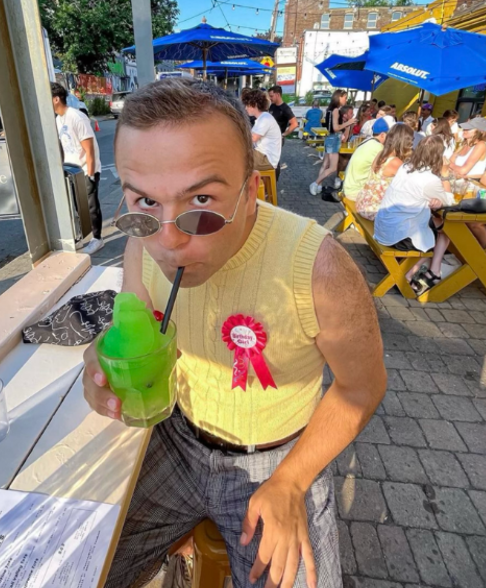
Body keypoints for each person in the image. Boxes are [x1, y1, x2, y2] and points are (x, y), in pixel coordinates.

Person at [85, 77, 385, 588]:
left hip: (278, 457)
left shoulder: (318, 269)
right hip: (175, 438)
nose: (170, 240)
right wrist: (102, 357)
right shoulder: (143, 241)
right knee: (82, 564)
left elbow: (362, 387)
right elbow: (132, 321)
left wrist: (292, 480)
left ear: (249, 192)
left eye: (200, 198)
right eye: (144, 202)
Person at [372, 136, 455, 295]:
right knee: (446, 228)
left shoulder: (405, 167)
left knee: (437, 224)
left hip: (383, 227)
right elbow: (449, 202)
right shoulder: (430, 180)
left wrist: (435, 200)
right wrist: (444, 175)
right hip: (398, 235)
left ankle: (429, 271)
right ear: (439, 157)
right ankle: (418, 274)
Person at [52, 83, 103, 255]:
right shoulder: (58, 120)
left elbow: (89, 148)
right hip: (71, 171)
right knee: (77, 207)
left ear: (56, 99)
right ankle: (83, 237)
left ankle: (97, 239)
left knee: (90, 207)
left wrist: (90, 173)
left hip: (85, 169)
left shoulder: (77, 117)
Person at [341, 117, 392, 202]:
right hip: (356, 192)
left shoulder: (368, 141)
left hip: (348, 188)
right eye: (390, 135)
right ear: (383, 135)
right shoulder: (378, 148)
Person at [312, 90, 349, 198]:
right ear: (339, 97)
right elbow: (336, 128)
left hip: (330, 138)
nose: (346, 100)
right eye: (345, 97)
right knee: (332, 168)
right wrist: (348, 123)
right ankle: (315, 183)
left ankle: (318, 186)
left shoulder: (330, 109)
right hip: (333, 139)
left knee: (325, 164)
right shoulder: (336, 110)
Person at [242, 88, 282, 183]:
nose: (245, 108)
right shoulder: (263, 117)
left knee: (236, 161)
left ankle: (246, 193)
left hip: (266, 158)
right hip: (263, 156)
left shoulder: (265, 118)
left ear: (254, 105)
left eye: (247, 105)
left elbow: (251, 139)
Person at [448, 117, 486, 181]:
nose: (465, 130)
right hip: (457, 181)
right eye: (465, 127)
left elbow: (463, 170)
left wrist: (450, 166)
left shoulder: (481, 145)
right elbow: (449, 161)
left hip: (470, 185)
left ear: (481, 131)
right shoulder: (464, 144)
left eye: (469, 128)